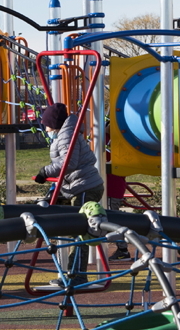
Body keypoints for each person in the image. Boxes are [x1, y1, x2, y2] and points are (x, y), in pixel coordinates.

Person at [33, 103, 129, 277]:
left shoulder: (66, 135)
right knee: (69, 225)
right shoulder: (64, 134)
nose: (45, 127)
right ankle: (72, 271)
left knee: (80, 231)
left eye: (46, 123)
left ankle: (77, 274)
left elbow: (68, 163)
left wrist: (44, 171)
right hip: (77, 186)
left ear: (53, 123)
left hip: (85, 187)